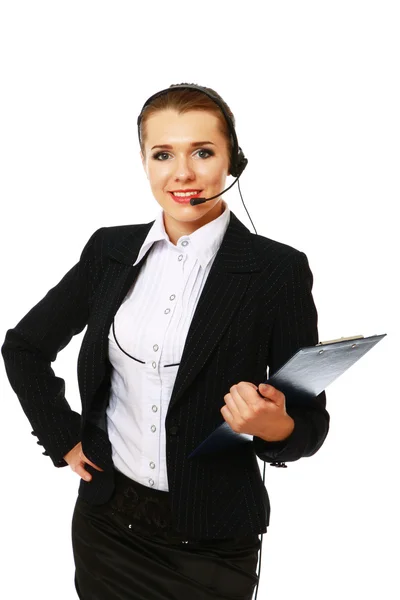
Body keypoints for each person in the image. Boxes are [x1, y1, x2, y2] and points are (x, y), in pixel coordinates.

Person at [1, 83, 330, 600]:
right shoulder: (109, 251)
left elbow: (310, 422)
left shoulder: (276, 271)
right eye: (163, 154)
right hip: (107, 524)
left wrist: (276, 425)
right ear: (144, 162)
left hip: (214, 541)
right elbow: (23, 347)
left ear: (232, 161)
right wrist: (61, 435)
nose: (182, 174)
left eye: (203, 152)